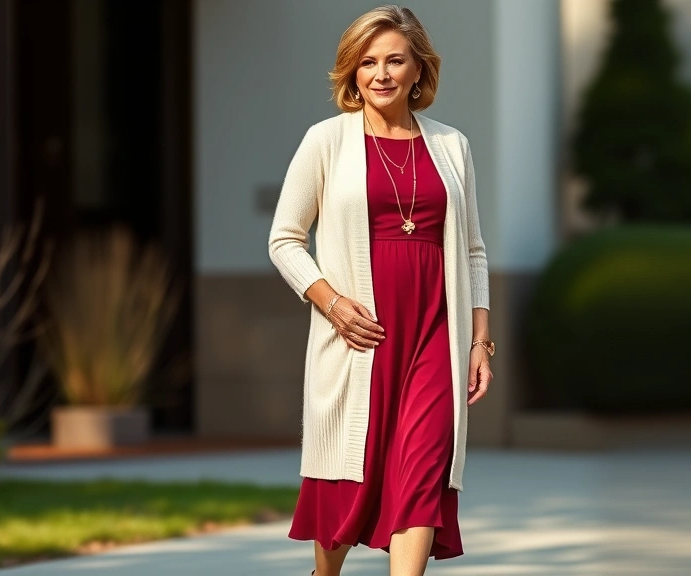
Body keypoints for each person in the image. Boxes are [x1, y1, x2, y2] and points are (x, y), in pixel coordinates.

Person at [268, 5, 494, 576]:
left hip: (434, 339)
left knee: (421, 477)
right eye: (368, 62)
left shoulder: (452, 146)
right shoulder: (326, 141)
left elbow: (471, 249)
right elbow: (285, 240)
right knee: (350, 481)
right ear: (352, 72)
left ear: (419, 68)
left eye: (395, 59)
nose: (382, 73)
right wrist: (333, 304)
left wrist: (479, 341)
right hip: (358, 340)